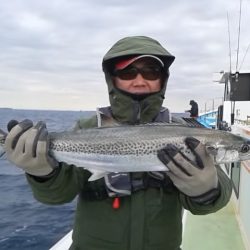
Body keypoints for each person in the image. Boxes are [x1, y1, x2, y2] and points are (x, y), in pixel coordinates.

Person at [4, 36, 232, 250]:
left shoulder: (187, 131)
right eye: (128, 72)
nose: (140, 81)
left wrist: (208, 191)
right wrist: (43, 174)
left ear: (163, 80)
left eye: (151, 72)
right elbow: (58, 195)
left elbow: (214, 199)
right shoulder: (87, 128)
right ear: (112, 78)